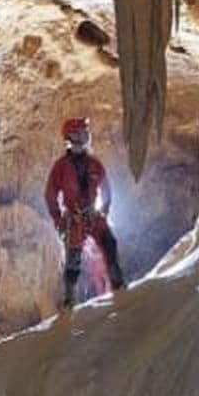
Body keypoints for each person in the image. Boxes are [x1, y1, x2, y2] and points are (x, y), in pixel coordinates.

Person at [44, 117, 126, 308]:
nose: (85, 136)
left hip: (93, 214)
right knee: (73, 258)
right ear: (71, 137)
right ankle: (69, 299)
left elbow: (106, 188)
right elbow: (50, 194)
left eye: (85, 132)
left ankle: (118, 285)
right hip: (74, 218)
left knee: (109, 244)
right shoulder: (61, 167)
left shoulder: (94, 164)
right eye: (81, 132)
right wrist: (58, 219)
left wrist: (105, 208)